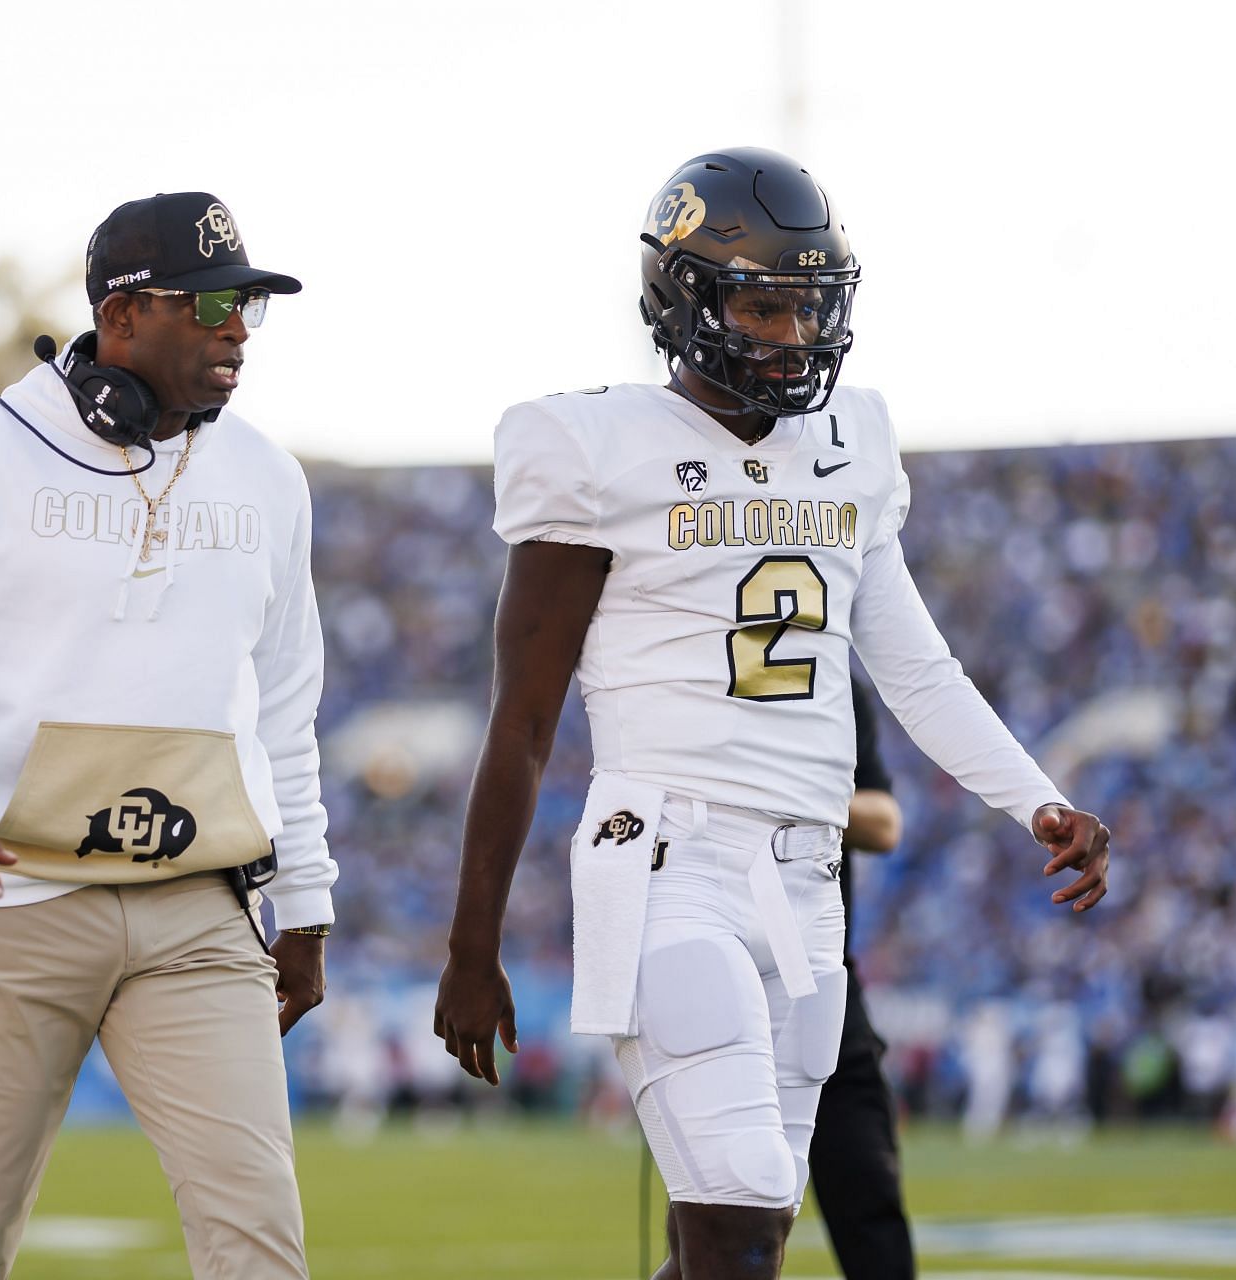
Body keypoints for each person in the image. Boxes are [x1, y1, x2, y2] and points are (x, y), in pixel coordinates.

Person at [432, 148, 1111, 1280]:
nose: (793, 338)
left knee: (741, 1240)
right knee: (741, 1220)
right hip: (668, 857)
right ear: (681, 300)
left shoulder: (852, 444)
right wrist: (472, 943)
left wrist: (1040, 801)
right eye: (762, 304)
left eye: (812, 307)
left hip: (807, 886)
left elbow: (920, 669)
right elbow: (524, 723)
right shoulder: (592, 446)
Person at [0, 191, 336, 1280]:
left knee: (261, 1243)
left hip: (198, 908)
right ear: (120, 317)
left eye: (247, 304)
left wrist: (304, 900)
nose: (237, 329)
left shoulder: (267, 476)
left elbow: (287, 706)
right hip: (11, 901)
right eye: (209, 304)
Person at [809, 675, 914, 1280]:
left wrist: (797, 797)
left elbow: (883, 821)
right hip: (723, 957)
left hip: (825, 971)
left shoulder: (832, 683)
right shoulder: (697, 664)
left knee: (866, 1179)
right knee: (723, 1205)